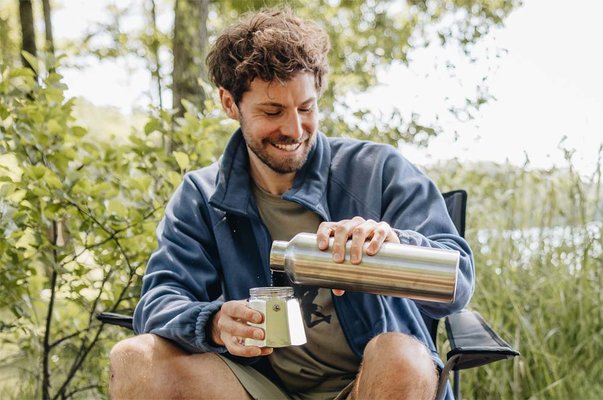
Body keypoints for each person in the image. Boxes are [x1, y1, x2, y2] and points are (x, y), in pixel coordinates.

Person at [109, 8, 474, 400]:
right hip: (258, 388)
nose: (295, 130)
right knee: (134, 358)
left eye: (306, 108)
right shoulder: (202, 196)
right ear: (230, 104)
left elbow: (459, 279)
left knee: (403, 354)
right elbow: (159, 300)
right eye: (272, 111)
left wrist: (393, 244)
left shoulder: (378, 170)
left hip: (372, 383)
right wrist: (213, 323)